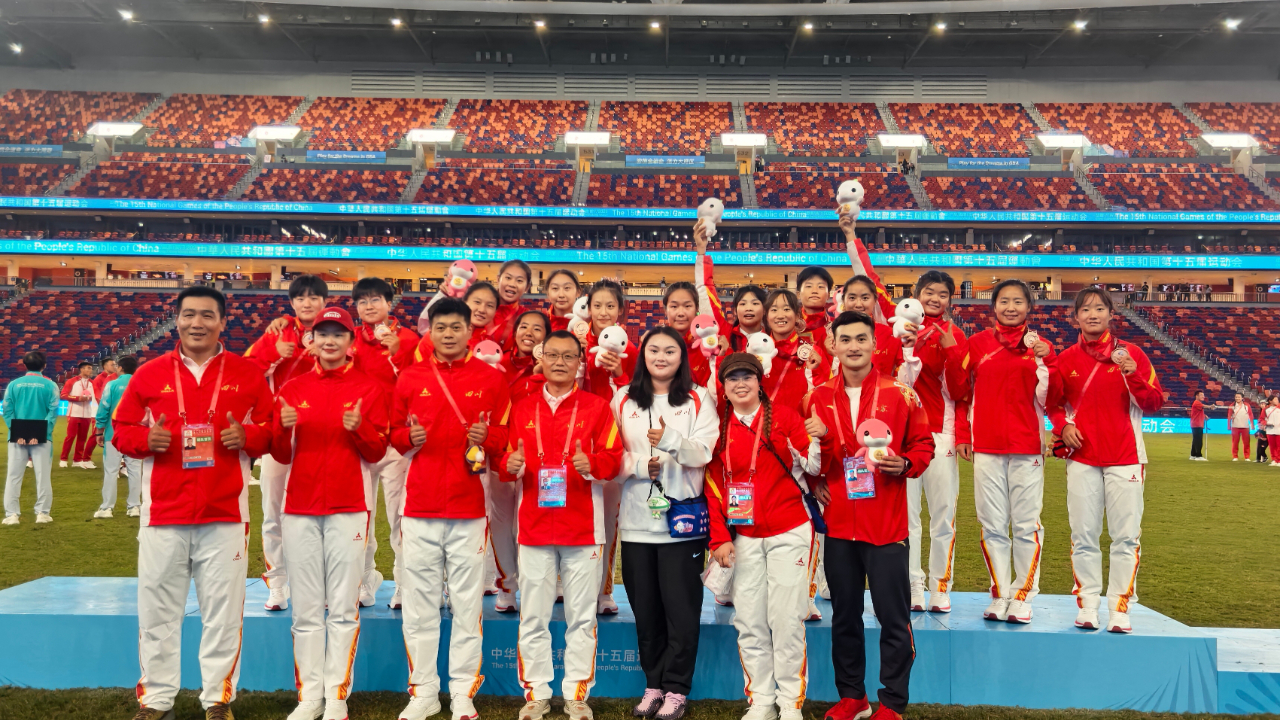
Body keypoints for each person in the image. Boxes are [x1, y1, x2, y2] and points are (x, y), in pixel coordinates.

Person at [112, 285, 275, 720]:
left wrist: (250, 438)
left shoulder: (246, 373)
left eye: (206, 315)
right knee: (156, 608)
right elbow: (121, 428)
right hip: (163, 510)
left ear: (223, 322)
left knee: (223, 611)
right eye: (188, 315)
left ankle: (217, 699)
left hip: (225, 512)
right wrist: (147, 440)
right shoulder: (149, 373)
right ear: (176, 320)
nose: (196, 323)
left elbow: (272, 430)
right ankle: (156, 699)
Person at [808, 312, 934, 720]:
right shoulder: (817, 396)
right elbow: (807, 455)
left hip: (886, 524)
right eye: (845, 339)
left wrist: (907, 463)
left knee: (892, 617)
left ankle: (892, 702)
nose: (853, 346)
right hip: (840, 523)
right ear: (833, 345)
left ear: (874, 342)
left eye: (861, 338)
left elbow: (924, 444)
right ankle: (853, 697)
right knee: (844, 615)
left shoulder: (901, 393)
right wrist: (814, 485)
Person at [390, 297, 510, 720]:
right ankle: (422, 690)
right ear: (430, 332)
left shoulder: (491, 379)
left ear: (469, 332)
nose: (447, 334)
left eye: (455, 327)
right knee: (420, 607)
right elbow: (392, 432)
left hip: (468, 508)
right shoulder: (409, 378)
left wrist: (487, 437)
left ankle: (462, 691)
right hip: (419, 506)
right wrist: (409, 440)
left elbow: (505, 439)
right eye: (440, 327)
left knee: (466, 606)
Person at [271, 306, 389, 720]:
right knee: (305, 607)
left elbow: (376, 453)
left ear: (351, 342)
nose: (330, 341)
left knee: (341, 606)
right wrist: (282, 427)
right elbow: (279, 453)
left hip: (349, 508)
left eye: (338, 334)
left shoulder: (369, 387)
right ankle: (309, 696)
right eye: (323, 333)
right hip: (300, 506)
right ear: (312, 339)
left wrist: (359, 427)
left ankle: (336, 694)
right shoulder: (292, 387)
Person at [499, 330, 623, 720]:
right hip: (534, 527)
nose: (559, 362)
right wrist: (511, 466)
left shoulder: (598, 407)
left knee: (581, 617)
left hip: (584, 528)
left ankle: (576, 693)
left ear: (580, 362)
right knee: (532, 614)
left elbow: (615, 457)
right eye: (552, 355)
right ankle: (536, 692)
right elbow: (503, 458)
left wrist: (595, 466)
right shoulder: (521, 407)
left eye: (568, 356)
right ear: (541, 359)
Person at [705, 352, 822, 720]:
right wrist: (719, 538)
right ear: (723, 388)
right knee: (750, 620)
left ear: (759, 381)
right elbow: (712, 488)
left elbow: (814, 466)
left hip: (790, 529)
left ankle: (789, 702)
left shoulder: (785, 417)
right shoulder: (718, 429)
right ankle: (761, 700)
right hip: (744, 536)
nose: (740, 384)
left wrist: (817, 440)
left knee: (786, 619)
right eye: (732, 379)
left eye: (747, 377)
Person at [613, 328, 719, 720]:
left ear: (682, 356)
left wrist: (671, 439)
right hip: (636, 521)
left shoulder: (699, 397)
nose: (661, 356)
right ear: (642, 355)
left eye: (669, 350)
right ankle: (653, 684)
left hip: (683, 524)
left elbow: (705, 452)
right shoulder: (623, 398)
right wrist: (641, 465)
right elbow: (610, 456)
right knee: (647, 611)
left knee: (682, 610)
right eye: (653, 350)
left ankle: (677, 689)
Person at [1047, 287, 1164, 634]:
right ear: (1076, 317)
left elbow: (1155, 402)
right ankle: (1087, 603)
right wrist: (1062, 426)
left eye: (1100, 308)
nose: (1093, 314)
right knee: (1083, 534)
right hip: (1082, 457)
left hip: (1125, 457)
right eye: (1086, 309)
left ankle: (1119, 606)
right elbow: (1052, 403)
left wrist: (1132, 373)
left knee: (1125, 536)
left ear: (1111, 314)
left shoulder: (1133, 354)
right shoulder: (1065, 359)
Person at [949, 279, 1056, 625]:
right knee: (992, 523)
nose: (1011, 308)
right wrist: (963, 434)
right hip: (987, 445)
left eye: (1018, 302)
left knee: (1026, 524)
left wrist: (1046, 362)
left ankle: (1023, 594)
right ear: (993, 306)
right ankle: (1000, 592)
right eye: (1004, 301)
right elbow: (960, 392)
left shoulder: (1042, 347)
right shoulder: (977, 344)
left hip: (1027, 447)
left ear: (1029, 307)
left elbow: (1053, 397)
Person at [246, 273, 329, 611]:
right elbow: (248, 372)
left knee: (324, 514)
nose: (307, 304)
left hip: (324, 433)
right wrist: (274, 355)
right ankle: (277, 582)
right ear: (292, 303)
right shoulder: (276, 333)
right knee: (273, 511)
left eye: (314, 298)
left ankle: (320, 583)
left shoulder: (336, 333)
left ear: (325, 301)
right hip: (281, 431)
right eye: (301, 298)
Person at [350, 276, 419, 608]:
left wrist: (397, 353)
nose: (368, 306)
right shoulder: (350, 342)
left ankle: (404, 584)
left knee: (399, 519)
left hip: (396, 443)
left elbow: (419, 383)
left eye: (375, 299)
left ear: (389, 303)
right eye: (362, 302)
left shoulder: (408, 339)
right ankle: (365, 579)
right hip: (362, 440)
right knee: (359, 517)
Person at [579, 279, 637, 614]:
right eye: (597, 305)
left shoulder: (630, 350)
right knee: (572, 515)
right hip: (576, 440)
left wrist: (621, 376)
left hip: (613, 442)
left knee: (609, 520)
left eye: (610, 306)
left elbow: (636, 398)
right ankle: (564, 583)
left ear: (620, 311)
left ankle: (604, 591)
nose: (603, 312)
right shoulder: (574, 342)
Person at [489, 309, 553, 611]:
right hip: (501, 454)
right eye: (523, 326)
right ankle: (507, 585)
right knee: (500, 522)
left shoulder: (554, 369)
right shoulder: (496, 364)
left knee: (529, 524)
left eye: (537, 328)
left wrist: (542, 372)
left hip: (541, 459)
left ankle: (535, 585)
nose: (529, 332)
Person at [2, 350, 59, 525]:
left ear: (25, 365)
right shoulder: (50, 385)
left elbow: (7, 409)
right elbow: (53, 411)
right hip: (42, 436)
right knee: (43, 475)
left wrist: (16, 429)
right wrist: (42, 431)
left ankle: (12, 515)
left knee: (13, 475)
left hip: (17, 435)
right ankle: (42, 513)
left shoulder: (14, 384)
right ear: (44, 366)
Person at [93, 355, 142, 519]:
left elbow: (104, 407)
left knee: (111, 471)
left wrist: (99, 430)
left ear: (120, 368)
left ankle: (107, 508)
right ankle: (134, 507)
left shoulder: (112, 384)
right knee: (135, 470)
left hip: (113, 433)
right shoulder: (142, 385)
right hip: (135, 433)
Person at [60, 361, 97, 469]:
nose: (90, 370)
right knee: (70, 437)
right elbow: (63, 395)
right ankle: (63, 459)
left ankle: (77, 459)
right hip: (74, 412)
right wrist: (77, 398)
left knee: (82, 438)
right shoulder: (72, 381)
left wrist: (90, 399)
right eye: (88, 368)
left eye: (91, 368)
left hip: (87, 413)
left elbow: (95, 396)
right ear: (81, 369)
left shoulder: (92, 383)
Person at [544, 269, 581, 333]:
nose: (561, 295)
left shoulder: (588, 323)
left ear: (578, 292)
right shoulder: (541, 322)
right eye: (555, 288)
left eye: (567, 288)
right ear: (548, 293)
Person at [1228, 392, 1254, 462]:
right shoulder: (1232, 405)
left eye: (1239, 397)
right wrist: (1228, 425)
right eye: (1236, 397)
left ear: (1242, 398)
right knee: (1235, 442)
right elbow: (1229, 415)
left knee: (1246, 443)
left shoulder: (1246, 405)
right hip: (1235, 426)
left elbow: (1250, 415)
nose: (1237, 398)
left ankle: (1247, 456)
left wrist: (1252, 425)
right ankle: (1235, 456)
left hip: (1245, 426)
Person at [1189, 390, 1207, 461]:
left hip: (1196, 424)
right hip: (1197, 424)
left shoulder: (1197, 403)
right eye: (1201, 395)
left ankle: (1193, 455)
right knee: (1198, 440)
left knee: (1195, 440)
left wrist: (1204, 415)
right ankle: (1198, 455)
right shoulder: (1197, 403)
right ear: (1197, 396)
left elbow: (1198, 412)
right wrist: (1211, 406)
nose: (1203, 397)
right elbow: (1204, 406)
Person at [1265, 396, 1280, 467]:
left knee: (1279, 446)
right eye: (1275, 399)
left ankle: (1279, 460)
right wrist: (1266, 423)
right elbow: (1262, 419)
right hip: (1270, 430)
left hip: (1279, 430)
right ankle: (1274, 460)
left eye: (1277, 399)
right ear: (1270, 401)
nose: (1277, 400)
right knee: (1272, 446)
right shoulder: (1266, 409)